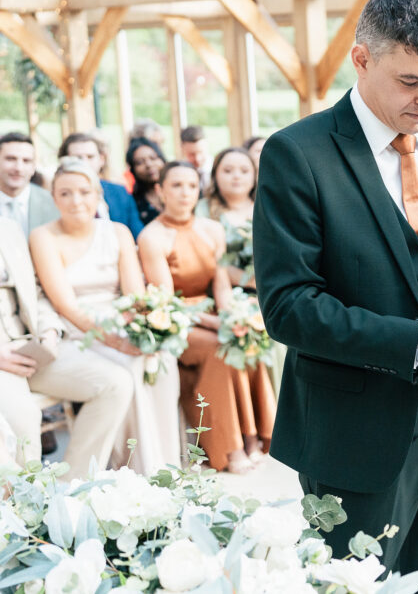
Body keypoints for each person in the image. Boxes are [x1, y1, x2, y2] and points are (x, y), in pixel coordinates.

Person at [253, 0, 418, 593]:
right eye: (411, 81)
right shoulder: (298, 154)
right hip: (353, 432)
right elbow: (289, 307)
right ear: (361, 59)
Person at [30, 159, 180, 475]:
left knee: (161, 359)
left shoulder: (118, 232)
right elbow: (65, 305)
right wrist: (115, 341)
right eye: (65, 193)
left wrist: (140, 331)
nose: (76, 201)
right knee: (127, 363)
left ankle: (164, 464)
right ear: (54, 197)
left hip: (121, 319)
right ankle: (132, 468)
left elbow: (134, 295)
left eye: (84, 192)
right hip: (78, 331)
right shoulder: (43, 237)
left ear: (98, 194)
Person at [138, 161, 275, 475]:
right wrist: (217, 324)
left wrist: (233, 316)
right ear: (160, 191)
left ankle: (253, 437)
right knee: (219, 349)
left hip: (213, 312)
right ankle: (228, 447)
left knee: (245, 338)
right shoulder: (152, 236)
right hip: (176, 321)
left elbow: (221, 283)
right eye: (176, 186)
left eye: (190, 185)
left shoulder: (212, 229)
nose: (185, 193)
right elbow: (167, 300)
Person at [0, 217, 133, 479]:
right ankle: (23, 509)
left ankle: (72, 490)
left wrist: (49, 330)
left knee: (114, 383)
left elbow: (34, 290)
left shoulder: (8, 226)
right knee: (24, 420)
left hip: (28, 345)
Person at [58, 133, 145, 238]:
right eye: (78, 158)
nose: (85, 162)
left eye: (90, 157)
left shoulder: (121, 193)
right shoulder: (57, 196)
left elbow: (138, 236)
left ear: (101, 160)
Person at [196, 148, 256, 290]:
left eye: (244, 171)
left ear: (255, 175)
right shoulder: (203, 209)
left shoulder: (267, 207)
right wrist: (250, 282)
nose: (237, 176)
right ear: (215, 175)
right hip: (220, 291)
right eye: (228, 171)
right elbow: (206, 260)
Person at [0, 132, 59, 237]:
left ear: (33, 167)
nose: (18, 168)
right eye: (10, 159)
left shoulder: (54, 203)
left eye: (26, 161)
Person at [126, 135, 166, 227]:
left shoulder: (180, 191)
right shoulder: (133, 203)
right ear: (133, 169)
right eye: (140, 162)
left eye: (153, 158)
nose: (149, 164)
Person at [181, 126, 212, 192]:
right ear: (182, 149)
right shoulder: (180, 171)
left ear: (207, 146)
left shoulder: (218, 169)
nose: (197, 159)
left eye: (201, 152)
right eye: (191, 154)